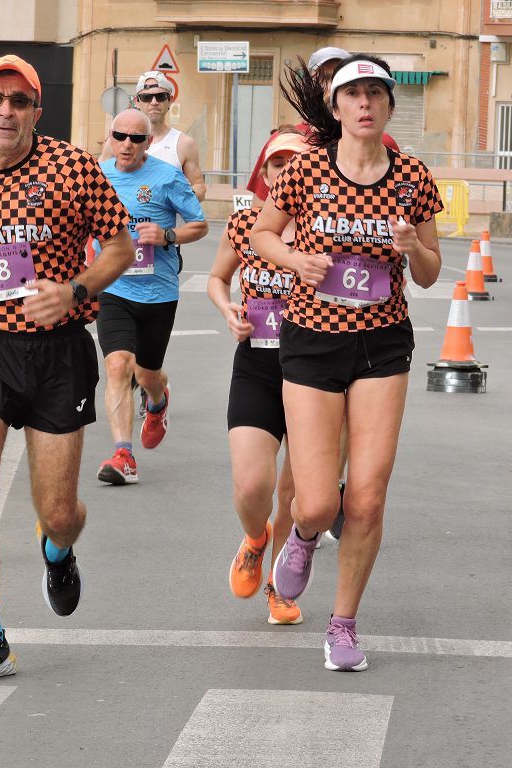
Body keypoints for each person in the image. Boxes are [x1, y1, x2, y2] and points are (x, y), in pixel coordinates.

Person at [0, 54, 135, 683]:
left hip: (57, 352)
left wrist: (74, 289)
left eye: (19, 100)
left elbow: (120, 245)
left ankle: (58, 551)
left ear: (37, 110)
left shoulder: (72, 169)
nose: (5, 111)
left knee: (58, 508)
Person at [251, 54, 443, 672]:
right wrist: (292, 261)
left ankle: (343, 625)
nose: (364, 104)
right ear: (336, 109)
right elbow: (261, 233)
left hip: (383, 344)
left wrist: (415, 249)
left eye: (375, 94)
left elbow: (432, 274)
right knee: (316, 503)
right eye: (352, 95)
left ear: (389, 105)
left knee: (368, 494)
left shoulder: (413, 177)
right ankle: (303, 537)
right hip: (311, 339)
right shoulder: (303, 171)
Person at [208, 130, 310, 625]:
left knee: (293, 492)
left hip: (314, 369)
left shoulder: (328, 227)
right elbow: (215, 278)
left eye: (296, 164)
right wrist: (227, 309)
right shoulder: (247, 223)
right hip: (256, 364)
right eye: (276, 166)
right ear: (265, 175)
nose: (285, 174)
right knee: (253, 487)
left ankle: (277, 587)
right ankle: (254, 537)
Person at [94, 108, 207, 485]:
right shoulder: (96, 177)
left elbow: (199, 225)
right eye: (120, 136)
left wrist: (167, 235)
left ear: (148, 143)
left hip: (158, 292)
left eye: (137, 138)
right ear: (110, 136)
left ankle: (158, 401)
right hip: (113, 287)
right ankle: (123, 454)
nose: (127, 144)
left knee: (147, 374)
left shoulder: (167, 177)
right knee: (117, 366)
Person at [246, 47, 400, 205]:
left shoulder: (384, 144)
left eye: (340, 80)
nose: (332, 87)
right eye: (324, 78)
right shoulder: (283, 142)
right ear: (310, 86)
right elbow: (259, 213)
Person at [101, 71, 206, 202]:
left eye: (160, 96)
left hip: (165, 221)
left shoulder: (184, 144)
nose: (154, 102)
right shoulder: (117, 141)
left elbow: (199, 187)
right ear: (137, 102)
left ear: (170, 101)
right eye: (146, 97)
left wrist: (173, 198)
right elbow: (97, 181)